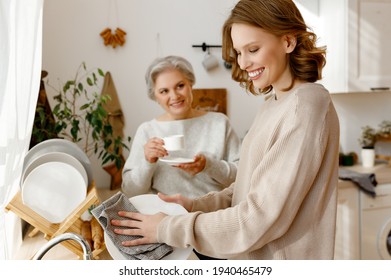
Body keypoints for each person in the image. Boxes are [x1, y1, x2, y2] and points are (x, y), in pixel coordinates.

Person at [113, 0, 340, 260]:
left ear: (288, 42)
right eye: (239, 53)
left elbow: (258, 218)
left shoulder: (305, 106)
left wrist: (167, 227)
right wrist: (195, 205)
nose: (243, 63)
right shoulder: (273, 104)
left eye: (252, 49)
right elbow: (246, 187)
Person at [121, 55, 241, 259]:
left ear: (191, 84)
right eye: (164, 91)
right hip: (165, 224)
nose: (174, 96)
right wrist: (147, 162)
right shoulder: (148, 130)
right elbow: (131, 191)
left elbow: (240, 178)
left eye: (180, 86)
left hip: (212, 222)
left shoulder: (219, 123)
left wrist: (208, 165)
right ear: (155, 96)